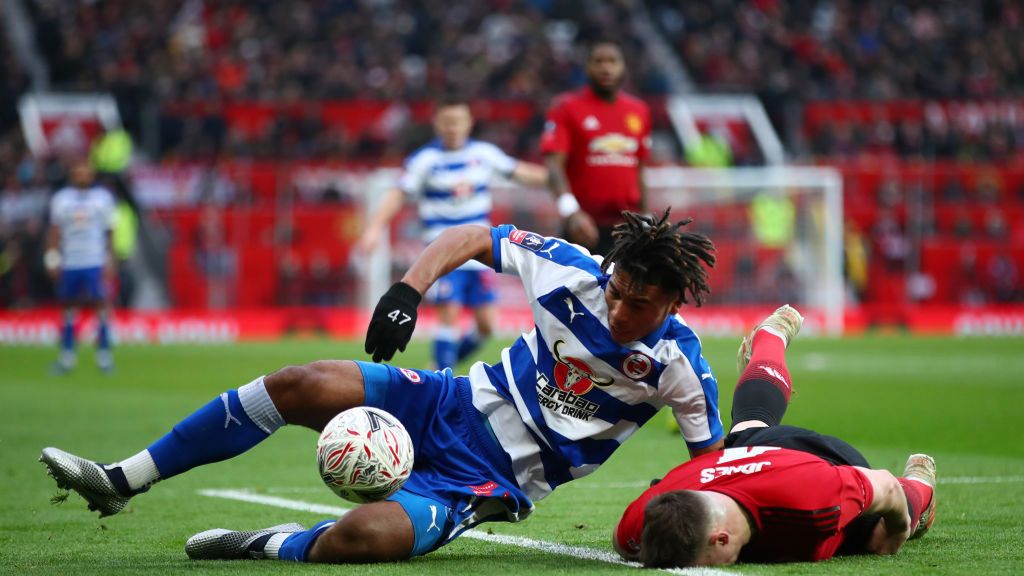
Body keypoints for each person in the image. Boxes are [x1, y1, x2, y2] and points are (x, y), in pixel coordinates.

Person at [41, 209, 725, 564]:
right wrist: (408, 290)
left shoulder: (679, 368)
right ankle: (122, 478)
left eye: (639, 304)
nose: (618, 309)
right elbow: (471, 237)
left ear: (673, 304)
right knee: (300, 381)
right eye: (618, 291)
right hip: (448, 401)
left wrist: (714, 525)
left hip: (488, 482)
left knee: (363, 539)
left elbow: (713, 467)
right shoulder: (573, 270)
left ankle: (262, 543)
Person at [614, 305, 938, 567]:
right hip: (748, 455)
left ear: (721, 539)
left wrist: (899, 529)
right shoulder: (652, 521)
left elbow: (885, 488)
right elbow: (621, 540)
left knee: (878, 537)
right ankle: (769, 339)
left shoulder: (814, 502)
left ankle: (921, 477)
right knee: (747, 428)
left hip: (828, 463)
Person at [356, 95, 548, 370]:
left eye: (457, 121)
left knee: (486, 325)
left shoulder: (483, 154)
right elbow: (398, 194)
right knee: (449, 316)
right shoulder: (425, 160)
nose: (452, 127)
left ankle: (437, 370)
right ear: (436, 124)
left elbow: (521, 172)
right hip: (443, 252)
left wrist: (562, 179)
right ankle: (443, 383)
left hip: (480, 252)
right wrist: (374, 229)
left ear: (469, 123)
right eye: (446, 121)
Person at [541, 40, 652, 255]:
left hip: (628, 229)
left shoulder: (639, 111)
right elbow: (554, 166)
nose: (606, 68)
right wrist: (571, 213)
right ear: (587, 67)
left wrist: (646, 215)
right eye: (598, 61)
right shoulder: (566, 107)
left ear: (623, 67)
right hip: (583, 227)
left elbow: (639, 169)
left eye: (612, 61)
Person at [45, 161, 117, 373]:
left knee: (101, 304)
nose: (82, 176)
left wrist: (110, 259)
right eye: (78, 172)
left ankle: (104, 356)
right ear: (72, 174)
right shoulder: (61, 199)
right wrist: (52, 258)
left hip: (94, 259)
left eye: (85, 172)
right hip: (70, 260)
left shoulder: (102, 198)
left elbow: (109, 231)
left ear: (92, 174)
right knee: (68, 306)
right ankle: (67, 357)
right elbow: (54, 231)